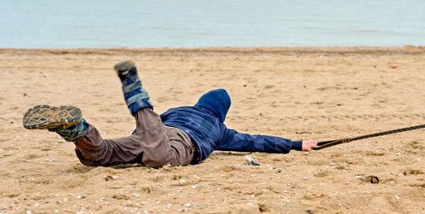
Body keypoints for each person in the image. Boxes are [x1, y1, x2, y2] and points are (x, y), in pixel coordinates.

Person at [23, 61, 317, 167]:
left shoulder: (180, 109)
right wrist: (294, 144)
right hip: (178, 143)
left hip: (151, 133)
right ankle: (136, 93)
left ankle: (78, 130)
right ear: (222, 113)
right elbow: (256, 141)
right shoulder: (220, 129)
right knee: (159, 157)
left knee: (99, 156)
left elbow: (158, 126)